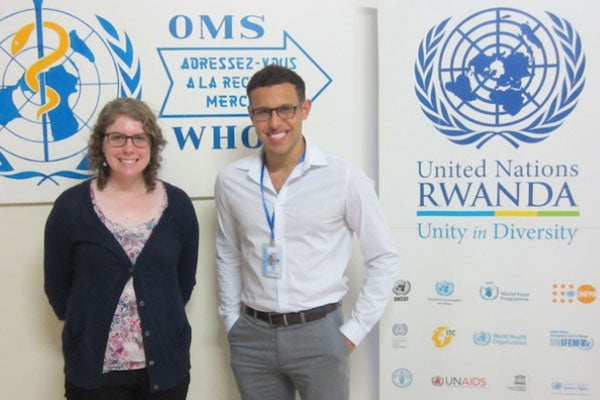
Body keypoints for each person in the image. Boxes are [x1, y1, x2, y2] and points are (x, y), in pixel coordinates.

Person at [214, 64, 399, 400]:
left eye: (285, 109)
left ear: (304, 109)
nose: (274, 123)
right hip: (252, 336)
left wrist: (350, 334)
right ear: (251, 114)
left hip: (319, 334)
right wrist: (232, 321)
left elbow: (384, 257)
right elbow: (228, 253)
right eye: (263, 112)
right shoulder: (231, 180)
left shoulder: (343, 177)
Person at [44, 98, 199, 400]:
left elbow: (184, 282)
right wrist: (86, 325)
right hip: (94, 372)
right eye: (118, 138)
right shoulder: (71, 207)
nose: (129, 149)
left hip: (165, 368)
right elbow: (57, 287)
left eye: (139, 138)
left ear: (152, 145)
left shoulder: (178, 205)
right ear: (101, 144)